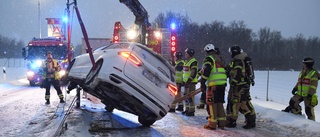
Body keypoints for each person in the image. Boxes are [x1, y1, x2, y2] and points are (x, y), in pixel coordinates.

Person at [225, 45, 255, 129]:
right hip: (244, 85)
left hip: (239, 86)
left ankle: (233, 121)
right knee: (244, 102)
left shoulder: (238, 61)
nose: (230, 54)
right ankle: (251, 120)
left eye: (231, 52)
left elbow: (237, 73)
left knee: (237, 103)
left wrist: (233, 83)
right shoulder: (242, 59)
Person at [200, 44, 227, 130]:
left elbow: (207, 69)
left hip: (213, 85)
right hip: (222, 84)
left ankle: (212, 124)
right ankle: (222, 123)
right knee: (219, 104)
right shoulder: (219, 59)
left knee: (212, 104)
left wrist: (203, 81)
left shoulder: (209, 58)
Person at [182, 48, 198, 116]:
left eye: (186, 53)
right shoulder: (187, 61)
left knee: (190, 97)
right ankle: (187, 109)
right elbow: (185, 72)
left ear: (190, 54)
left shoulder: (193, 61)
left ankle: (191, 110)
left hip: (191, 82)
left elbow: (193, 72)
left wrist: (189, 80)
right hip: (186, 82)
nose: (185, 54)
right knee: (186, 96)